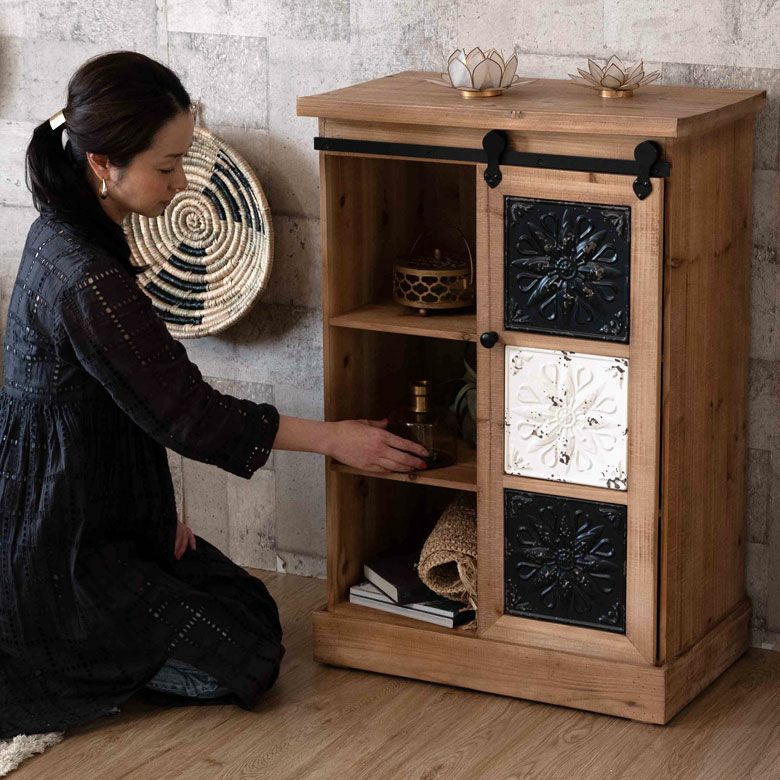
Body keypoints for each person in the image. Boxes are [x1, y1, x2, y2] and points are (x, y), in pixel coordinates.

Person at [0, 50, 429, 740]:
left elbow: (132, 398)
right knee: (243, 657)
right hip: (60, 537)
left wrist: (159, 506)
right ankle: (80, 644)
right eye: (167, 167)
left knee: (247, 606)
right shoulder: (86, 277)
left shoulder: (63, 227)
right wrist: (335, 438)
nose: (180, 186)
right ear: (103, 164)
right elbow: (191, 415)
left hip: (91, 502)